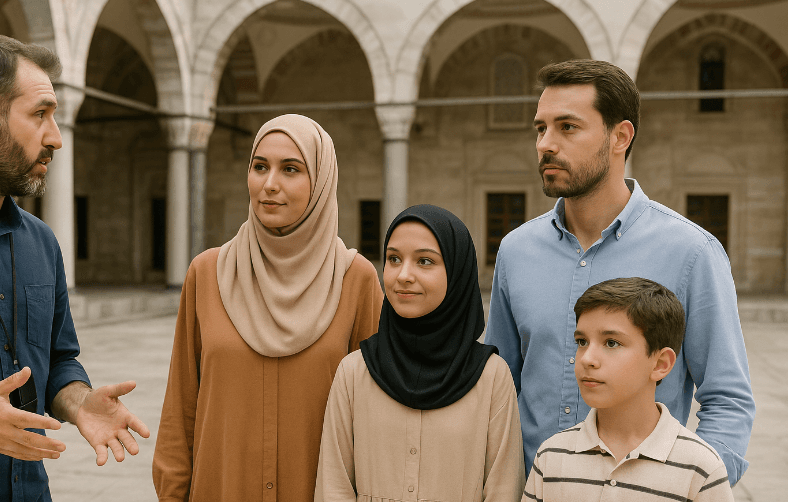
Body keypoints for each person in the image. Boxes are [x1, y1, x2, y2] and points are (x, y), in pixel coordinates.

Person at [485, 59, 754, 486]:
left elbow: (728, 399)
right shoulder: (517, 251)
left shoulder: (691, 253)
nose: (545, 144)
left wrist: (689, 487)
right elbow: (497, 390)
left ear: (620, 137)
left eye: (567, 127)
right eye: (541, 129)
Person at [0, 34, 150, 501]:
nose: (56, 137)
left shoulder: (40, 241)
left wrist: (80, 403)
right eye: (40, 114)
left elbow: (59, 360)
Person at [152, 113, 383, 501]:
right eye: (260, 167)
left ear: (321, 180)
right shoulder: (207, 274)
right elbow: (181, 409)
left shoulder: (355, 280)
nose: (269, 184)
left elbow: (375, 417)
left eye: (290, 169)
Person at [315, 204, 525, 502]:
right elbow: (334, 487)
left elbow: (503, 491)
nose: (403, 275)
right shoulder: (354, 372)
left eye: (425, 261)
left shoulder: (491, 377)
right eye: (394, 259)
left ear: (457, 271)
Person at [524, 277, 734, 501]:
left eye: (611, 343)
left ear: (660, 364)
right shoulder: (551, 455)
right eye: (582, 342)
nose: (587, 359)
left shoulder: (701, 469)